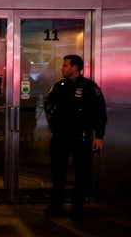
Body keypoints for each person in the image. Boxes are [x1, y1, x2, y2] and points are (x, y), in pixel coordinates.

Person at [43, 54, 107, 222]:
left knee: (81, 174)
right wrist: (55, 119)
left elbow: (101, 113)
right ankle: (56, 206)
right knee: (58, 173)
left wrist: (99, 136)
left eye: (65, 65)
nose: (62, 68)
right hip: (60, 138)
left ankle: (77, 208)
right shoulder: (59, 86)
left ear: (75, 67)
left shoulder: (89, 87)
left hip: (80, 137)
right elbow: (48, 103)